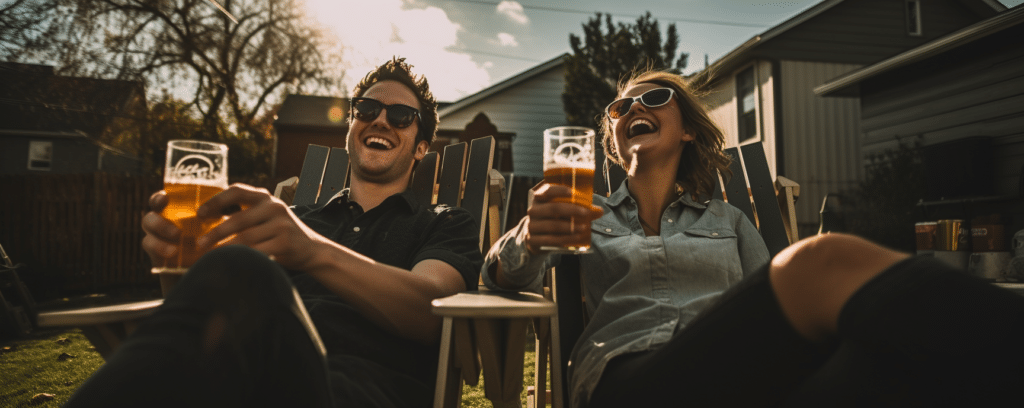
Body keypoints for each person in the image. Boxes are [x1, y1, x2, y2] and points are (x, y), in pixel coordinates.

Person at [484, 68, 1024, 408]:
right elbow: (501, 275)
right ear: (613, 139)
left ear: (688, 129)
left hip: (742, 370)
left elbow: (773, 306)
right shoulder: (581, 211)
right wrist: (531, 235)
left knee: (890, 370)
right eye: (620, 108)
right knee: (822, 259)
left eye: (653, 98)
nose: (633, 111)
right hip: (630, 377)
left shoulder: (729, 219)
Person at [67, 57, 483, 408]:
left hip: (355, 391)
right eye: (367, 109)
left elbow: (432, 311)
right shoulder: (293, 221)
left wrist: (311, 251)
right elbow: (216, 323)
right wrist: (177, 267)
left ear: (422, 146)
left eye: (401, 116)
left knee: (239, 266)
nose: (380, 120)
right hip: (242, 380)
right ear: (350, 126)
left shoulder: (445, 222)